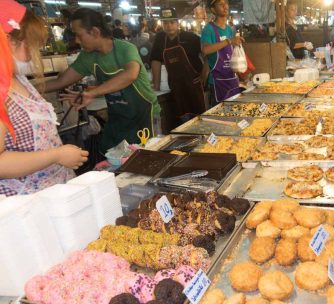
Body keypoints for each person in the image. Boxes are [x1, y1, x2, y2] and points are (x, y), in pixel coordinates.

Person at [0, 1, 88, 196]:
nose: (35, 54)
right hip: (27, 203)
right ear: (9, 42)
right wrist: (56, 155)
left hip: (54, 190)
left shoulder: (18, 79)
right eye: (32, 46)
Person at [45, 8, 161, 153]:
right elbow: (59, 82)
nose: (76, 40)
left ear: (95, 32)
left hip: (144, 117)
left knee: (149, 157)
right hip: (118, 119)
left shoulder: (125, 49)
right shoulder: (88, 57)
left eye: (78, 35)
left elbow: (130, 74)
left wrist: (93, 93)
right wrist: (18, 88)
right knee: (114, 161)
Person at [150, 6, 206, 131]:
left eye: (172, 22)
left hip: (195, 84)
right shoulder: (160, 39)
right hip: (176, 85)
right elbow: (156, 61)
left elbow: (206, 55)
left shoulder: (191, 38)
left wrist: (204, 76)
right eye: (165, 23)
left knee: (200, 117)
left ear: (178, 23)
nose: (169, 26)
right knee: (183, 119)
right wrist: (156, 86)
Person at [201, 0, 244, 106]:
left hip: (232, 80)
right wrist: (228, 41)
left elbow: (230, 54)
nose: (225, 6)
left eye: (226, 3)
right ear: (213, 9)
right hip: (217, 82)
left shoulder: (230, 29)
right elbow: (205, 50)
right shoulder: (209, 29)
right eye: (220, 4)